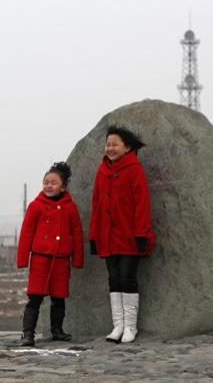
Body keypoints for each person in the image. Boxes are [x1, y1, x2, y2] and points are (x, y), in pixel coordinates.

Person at [88, 126, 155, 343]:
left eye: (115, 144)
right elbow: (96, 205)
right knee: (114, 279)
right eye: (108, 144)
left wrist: (141, 234)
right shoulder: (102, 171)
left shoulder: (134, 169)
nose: (110, 148)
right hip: (107, 236)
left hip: (129, 236)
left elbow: (142, 204)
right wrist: (94, 236)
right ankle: (118, 325)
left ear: (127, 147)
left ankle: (131, 327)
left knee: (127, 278)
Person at [16, 162, 84, 346]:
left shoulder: (70, 207)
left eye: (53, 182)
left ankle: (57, 330)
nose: (48, 185)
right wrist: (22, 259)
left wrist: (77, 259)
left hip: (61, 260)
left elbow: (77, 233)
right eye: (46, 182)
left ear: (63, 186)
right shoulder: (36, 206)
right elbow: (26, 233)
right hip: (40, 259)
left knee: (59, 298)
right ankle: (28, 333)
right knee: (35, 297)